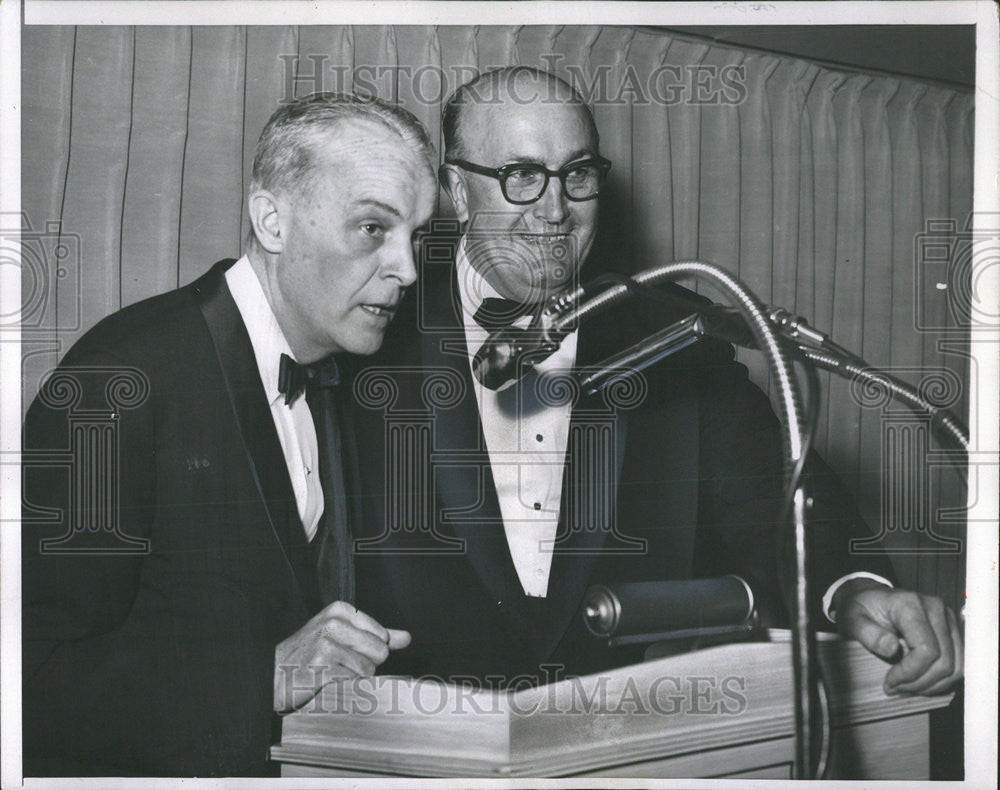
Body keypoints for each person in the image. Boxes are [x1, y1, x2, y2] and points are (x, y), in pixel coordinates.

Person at [347, 67, 963, 696]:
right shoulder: (370, 321)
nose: (556, 210)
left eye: (577, 175)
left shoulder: (674, 333)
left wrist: (855, 590)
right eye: (522, 176)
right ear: (456, 188)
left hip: (630, 731)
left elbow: (780, 499)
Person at [21, 92, 436, 776]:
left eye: (416, 236)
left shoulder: (341, 374)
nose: (409, 270)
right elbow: (28, 683)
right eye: (371, 229)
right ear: (270, 220)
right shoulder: (121, 377)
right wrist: (262, 676)